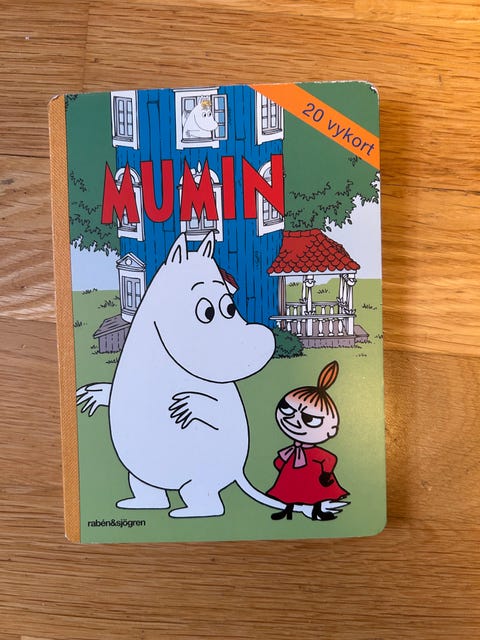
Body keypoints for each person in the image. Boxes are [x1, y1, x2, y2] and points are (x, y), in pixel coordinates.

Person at [267, 361, 348, 521]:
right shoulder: (293, 450)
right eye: (287, 409)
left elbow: (330, 459)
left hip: (314, 476)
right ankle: (286, 511)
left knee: (316, 494)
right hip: (291, 474)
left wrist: (325, 473)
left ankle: (318, 511)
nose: (293, 420)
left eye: (309, 419)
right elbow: (281, 461)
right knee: (288, 492)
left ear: (331, 429)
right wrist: (281, 464)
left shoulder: (315, 452)